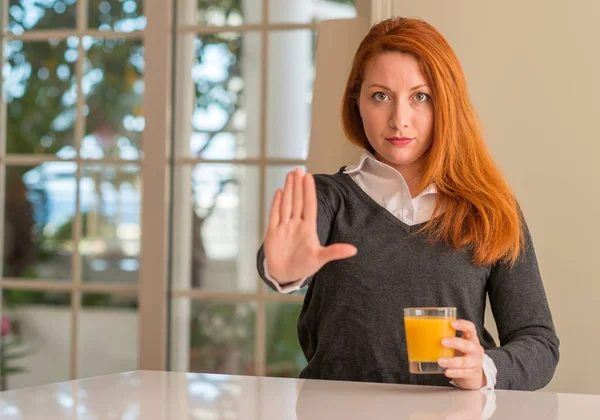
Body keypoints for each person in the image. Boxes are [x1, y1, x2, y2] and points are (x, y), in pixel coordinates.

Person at [256, 16, 559, 391]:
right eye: (380, 96)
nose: (400, 120)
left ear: (446, 104)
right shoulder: (326, 197)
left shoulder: (490, 210)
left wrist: (484, 369)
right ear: (358, 103)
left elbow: (539, 343)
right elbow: (282, 260)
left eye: (421, 97)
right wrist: (283, 271)